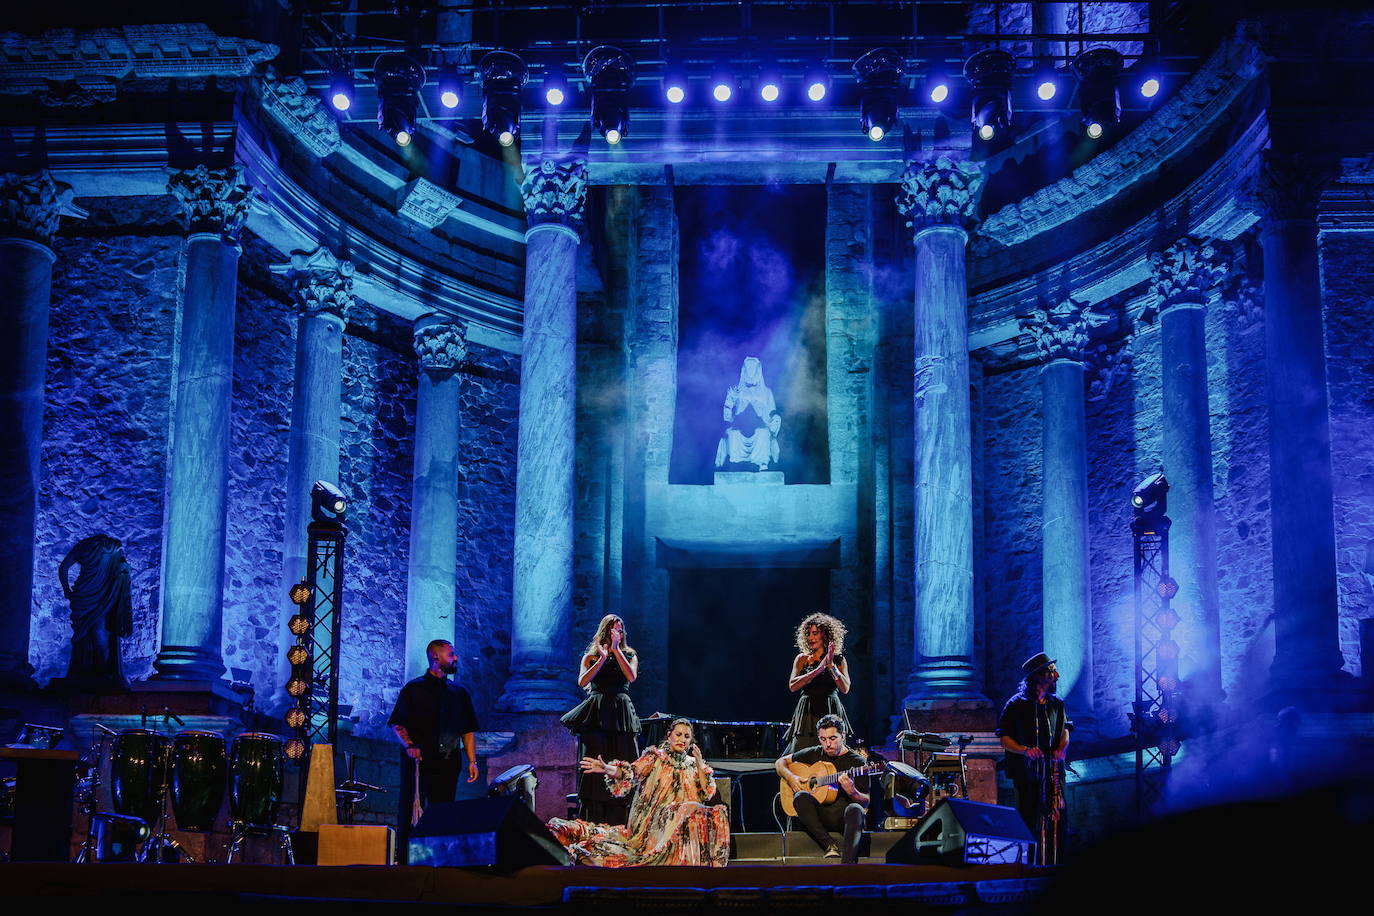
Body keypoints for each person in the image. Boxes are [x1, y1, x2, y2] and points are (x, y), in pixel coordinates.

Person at [547, 718, 729, 867]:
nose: (682, 739)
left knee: (716, 811)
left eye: (687, 737)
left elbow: (706, 793)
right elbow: (631, 773)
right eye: (678, 734)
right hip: (657, 823)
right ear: (669, 735)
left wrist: (698, 762)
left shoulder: (693, 763)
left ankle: (694, 864)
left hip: (686, 817)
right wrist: (607, 769)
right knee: (684, 809)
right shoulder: (655, 757)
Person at [388, 639, 480, 859]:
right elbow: (397, 723)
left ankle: (440, 857)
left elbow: (467, 730)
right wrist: (410, 745)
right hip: (419, 762)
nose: (455, 658)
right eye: (451, 654)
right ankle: (408, 858)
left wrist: (472, 761)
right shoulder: (414, 689)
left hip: (448, 761)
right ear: (436, 657)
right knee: (412, 808)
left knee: (444, 810)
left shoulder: (459, 693)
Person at [560, 614, 641, 825]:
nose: (617, 634)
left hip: (621, 715)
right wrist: (604, 657)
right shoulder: (591, 657)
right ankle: (593, 825)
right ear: (604, 632)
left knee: (624, 765)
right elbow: (583, 681)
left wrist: (615, 651)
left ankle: (622, 824)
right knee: (594, 771)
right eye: (613, 630)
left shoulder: (629, 655)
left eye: (620, 631)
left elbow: (631, 677)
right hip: (596, 715)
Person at [997, 652, 1071, 864]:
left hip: (1053, 770)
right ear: (1039, 676)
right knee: (1029, 816)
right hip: (1027, 771)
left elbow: (1066, 729)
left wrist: (1062, 749)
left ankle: (1057, 863)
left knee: (1058, 816)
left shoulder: (1057, 703)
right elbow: (1003, 737)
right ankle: (1028, 864)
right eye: (1051, 671)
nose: (1056, 675)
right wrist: (1024, 750)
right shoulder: (1016, 705)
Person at [774, 714, 870, 863]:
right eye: (823, 739)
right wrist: (791, 778)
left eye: (832, 739)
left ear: (843, 736)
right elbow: (780, 762)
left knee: (855, 809)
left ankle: (848, 864)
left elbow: (866, 802)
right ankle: (829, 845)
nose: (828, 745)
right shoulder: (815, 752)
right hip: (819, 816)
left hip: (842, 817)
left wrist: (852, 791)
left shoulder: (857, 762)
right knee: (800, 797)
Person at [783, 613, 851, 755]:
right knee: (800, 754)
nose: (810, 638)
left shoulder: (839, 660)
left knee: (830, 754)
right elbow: (792, 686)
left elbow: (845, 688)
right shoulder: (802, 659)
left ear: (826, 635)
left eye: (815, 633)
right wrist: (817, 670)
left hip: (830, 708)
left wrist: (831, 666)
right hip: (806, 712)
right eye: (808, 634)